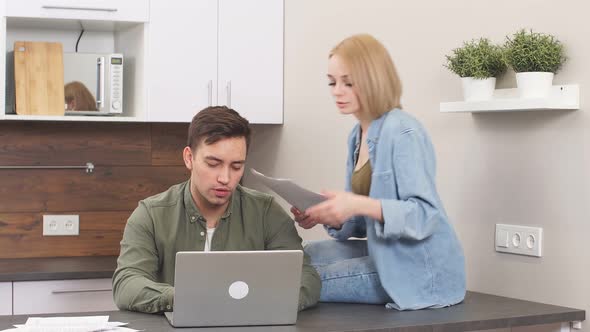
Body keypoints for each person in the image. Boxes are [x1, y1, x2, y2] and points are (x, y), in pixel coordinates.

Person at [292, 34, 466, 310]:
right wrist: (330, 215)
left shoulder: (403, 131)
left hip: (418, 269)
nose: (337, 91)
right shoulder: (357, 135)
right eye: (332, 82)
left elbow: (424, 216)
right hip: (384, 251)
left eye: (348, 82)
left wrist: (356, 203)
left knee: (295, 279)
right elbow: (365, 221)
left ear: (373, 80)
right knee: (294, 258)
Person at [113, 106, 321, 313]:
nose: (225, 178)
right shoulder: (150, 214)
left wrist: (268, 301)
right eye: (213, 163)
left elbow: (306, 278)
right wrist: (184, 298)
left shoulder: (266, 212)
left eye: (236, 166)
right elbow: (127, 283)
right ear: (189, 158)